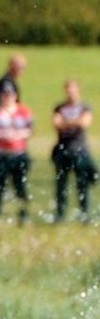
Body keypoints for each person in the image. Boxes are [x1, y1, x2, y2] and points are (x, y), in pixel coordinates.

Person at [51, 79, 98, 222]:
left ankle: (84, 213)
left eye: (73, 90)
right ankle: (60, 213)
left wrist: (66, 122)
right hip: (62, 149)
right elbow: (56, 123)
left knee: (82, 183)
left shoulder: (84, 107)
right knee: (61, 184)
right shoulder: (59, 107)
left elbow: (84, 123)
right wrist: (74, 122)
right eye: (68, 90)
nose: (70, 93)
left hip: (79, 150)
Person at [0, 79, 32, 222]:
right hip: (2, 153)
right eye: (4, 94)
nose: (7, 97)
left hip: (18, 153)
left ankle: (23, 212)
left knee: (20, 184)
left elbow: (30, 130)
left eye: (10, 94)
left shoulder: (23, 111)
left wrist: (17, 135)